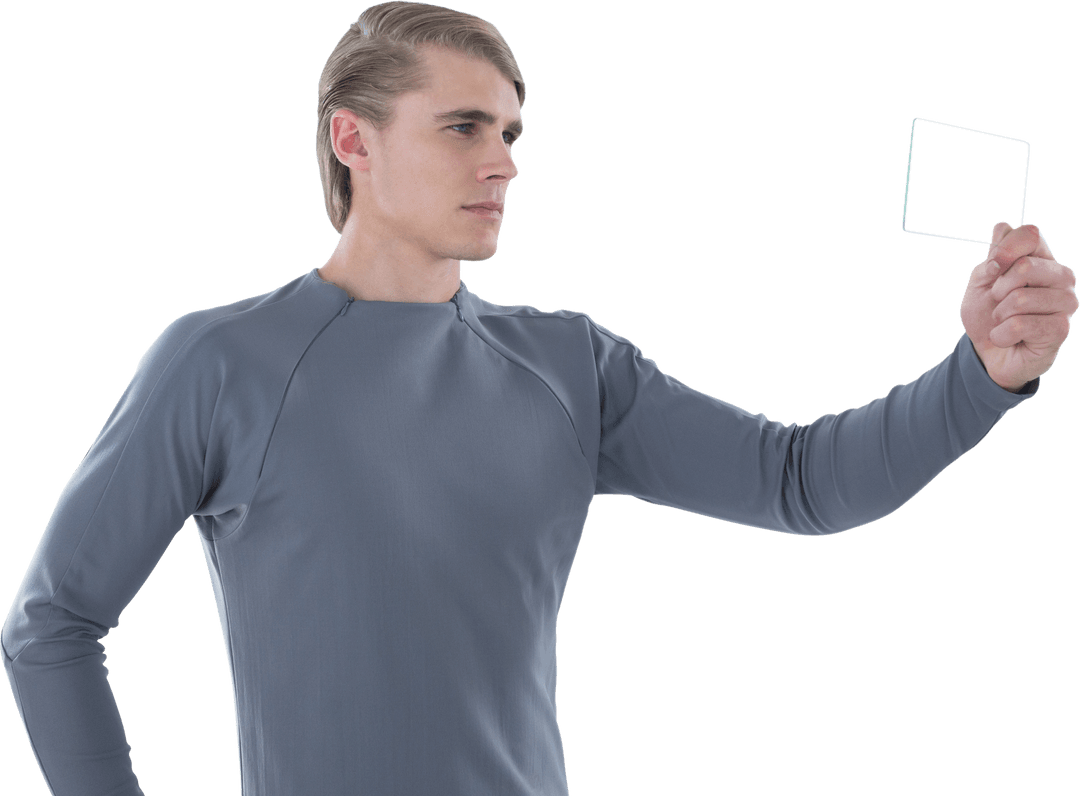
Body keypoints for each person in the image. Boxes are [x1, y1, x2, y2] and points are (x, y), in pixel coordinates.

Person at [2, 2, 1076, 795]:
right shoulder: (220, 362)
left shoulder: (567, 366)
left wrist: (983, 372)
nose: (503, 162)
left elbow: (804, 483)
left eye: (511, 134)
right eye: (463, 127)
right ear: (352, 138)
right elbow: (51, 625)